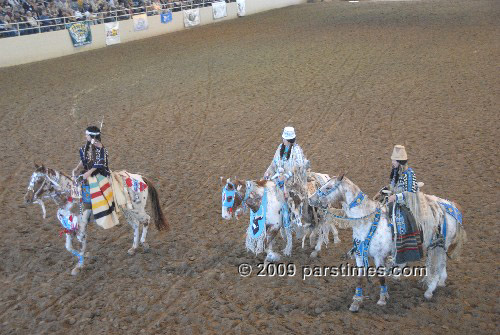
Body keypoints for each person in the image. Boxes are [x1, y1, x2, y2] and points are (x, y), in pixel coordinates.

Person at [73, 126, 118, 229]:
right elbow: (85, 158)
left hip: (99, 173)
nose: (85, 136)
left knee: (97, 187)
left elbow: (99, 163)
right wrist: (77, 168)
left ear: (92, 136)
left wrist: (88, 173)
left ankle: (95, 210)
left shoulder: (101, 148)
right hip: (88, 172)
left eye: (87, 135)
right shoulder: (88, 146)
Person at [264, 126, 309, 226]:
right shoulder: (280, 148)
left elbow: (299, 167)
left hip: (293, 181)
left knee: (289, 196)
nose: (283, 140)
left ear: (289, 140)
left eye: (284, 138)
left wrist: (285, 176)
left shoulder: (296, 150)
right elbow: (274, 163)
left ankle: (295, 216)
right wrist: (268, 172)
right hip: (279, 178)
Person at [387, 145, 423, 264]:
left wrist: (395, 197)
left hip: (406, 205)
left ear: (399, 161)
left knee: (402, 222)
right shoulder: (396, 172)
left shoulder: (409, 173)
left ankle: (403, 253)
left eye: (393, 160)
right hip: (395, 203)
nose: (392, 162)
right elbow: (392, 187)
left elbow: (410, 193)